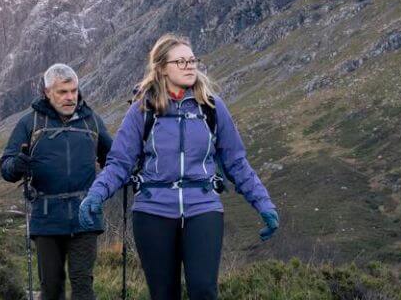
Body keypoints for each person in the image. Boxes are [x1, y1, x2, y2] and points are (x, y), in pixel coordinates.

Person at [76, 35, 279, 300]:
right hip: (152, 211)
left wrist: (264, 204)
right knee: (163, 294)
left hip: (203, 208)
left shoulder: (212, 108)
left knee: (204, 290)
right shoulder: (142, 110)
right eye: (180, 61)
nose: (189, 66)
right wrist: (96, 195)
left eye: (192, 60)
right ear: (161, 68)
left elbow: (236, 162)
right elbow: (120, 163)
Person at [0, 62, 113, 300]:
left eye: (73, 91)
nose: (70, 97)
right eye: (63, 92)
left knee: (83, 286)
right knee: (52, 288)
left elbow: (112, 159)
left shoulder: (91, 121)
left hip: (85, 217)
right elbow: (7, 167)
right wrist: (16, 165)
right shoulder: (29, 123)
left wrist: (107, 183)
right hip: (46, 217)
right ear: (47, 92)